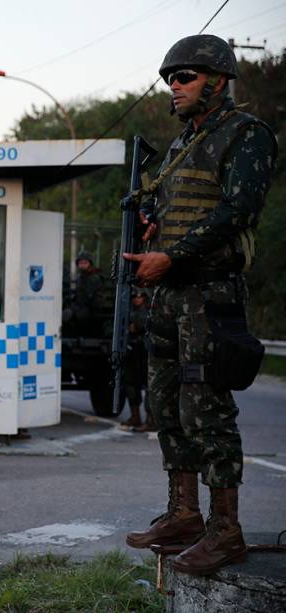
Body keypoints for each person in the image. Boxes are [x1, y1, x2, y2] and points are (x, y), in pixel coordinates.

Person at [123, 34, 277, 576]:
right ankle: (184, 514)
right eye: (169, 79)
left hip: (208, 294)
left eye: (184, 77)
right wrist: (152, 234)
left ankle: (225, 531)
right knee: (166, 406)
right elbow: (178, 212)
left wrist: (173, 254)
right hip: (169, 295)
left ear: (217, 80)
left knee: (206, 412)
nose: (174, 87)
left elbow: (237, 210)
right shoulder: (181, 143)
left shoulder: (247, 134)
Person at [120, 289, 150, 430]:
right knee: (130, 385)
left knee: (150, 387)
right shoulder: (127, 310)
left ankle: (151, 420)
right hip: (132, 351)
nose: (137, 299)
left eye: (140, 296)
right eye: (135, 297)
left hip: (145, 353)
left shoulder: (150, 310)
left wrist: (137, 325)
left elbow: (144, 324)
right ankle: (135, 416)